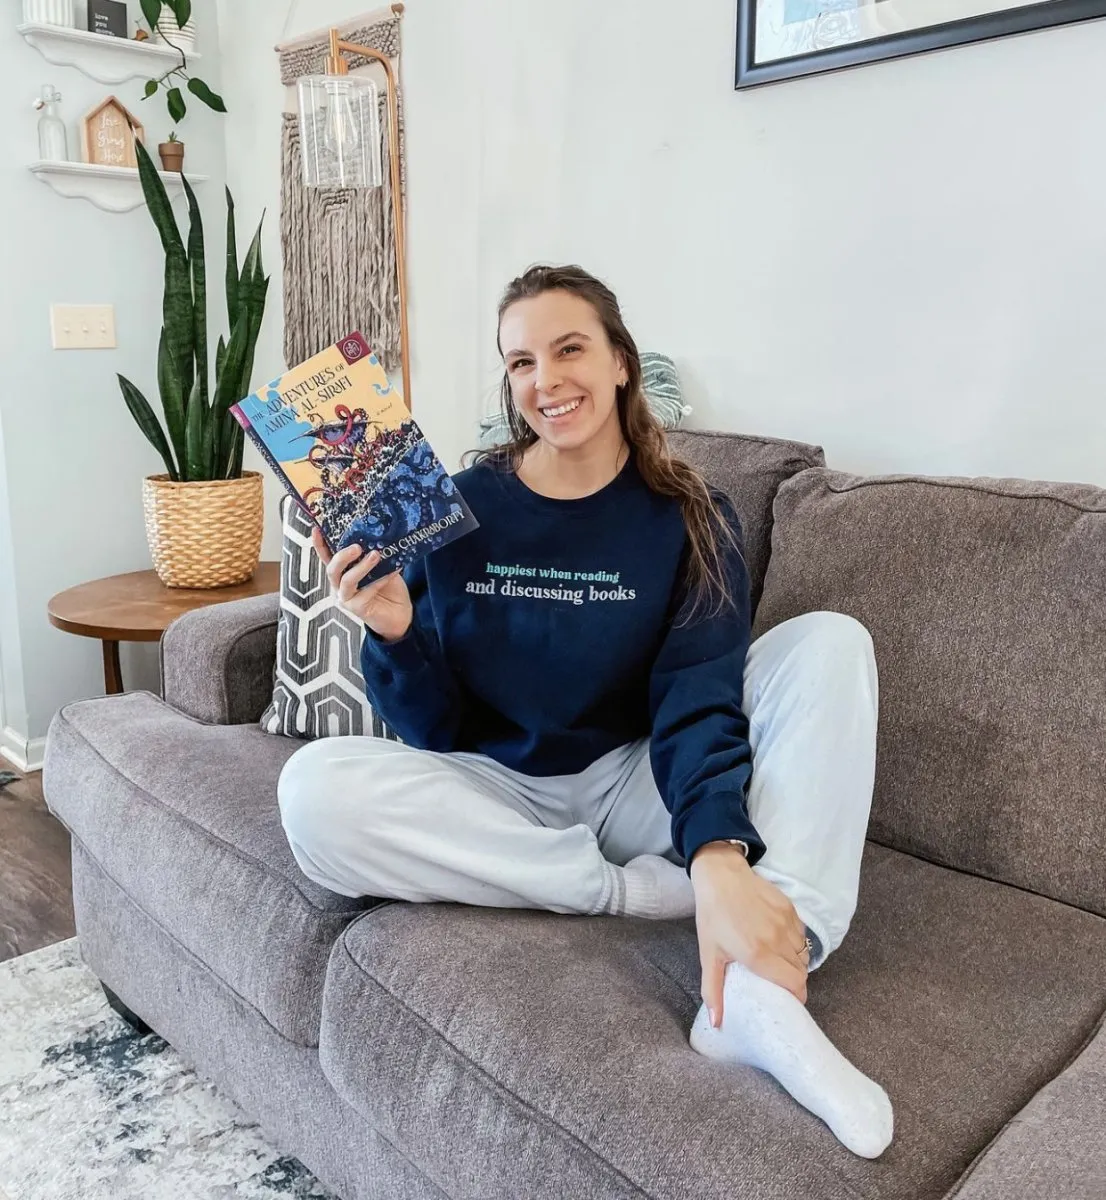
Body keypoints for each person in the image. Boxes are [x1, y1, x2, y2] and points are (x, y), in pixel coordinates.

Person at [278, 264, 893, 1159]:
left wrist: (717, 848)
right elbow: (434, 734)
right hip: (498, 788)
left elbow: (698, 694)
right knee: (313, 796)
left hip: (636, 776)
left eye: (569, 349)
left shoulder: (690, 515)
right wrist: (399, 635)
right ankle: (631, 894)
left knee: (831, 643)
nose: (546, 380)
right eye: (521, 361)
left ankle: (761, 988)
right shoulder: (458, 506)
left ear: (619, 365)